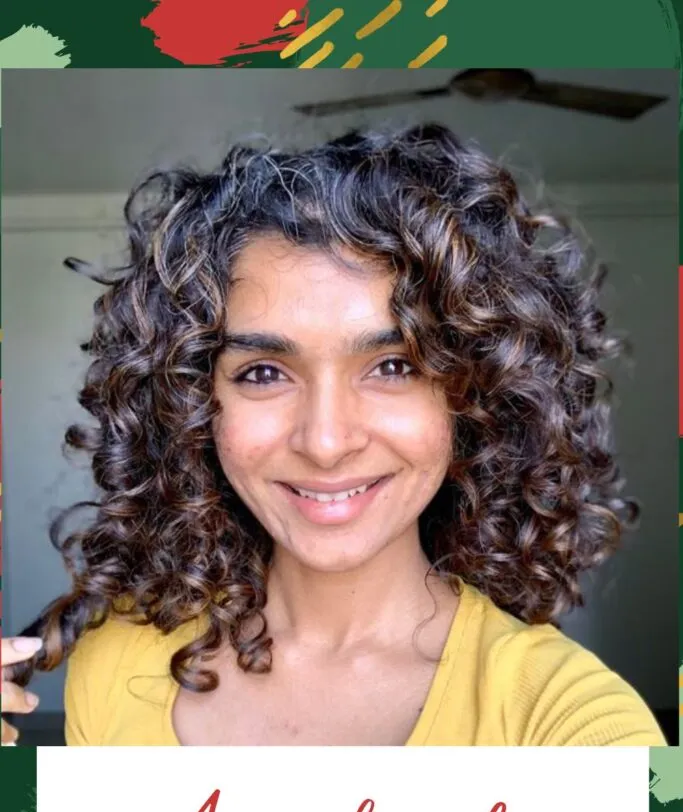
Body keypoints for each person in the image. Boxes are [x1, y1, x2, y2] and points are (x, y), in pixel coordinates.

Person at [1, 124, 666, 747]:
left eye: (394, 366)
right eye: (263, 372)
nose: (324, 441)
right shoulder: (114, 663)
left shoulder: (571, 723)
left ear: (474, 397)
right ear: (195, 405)